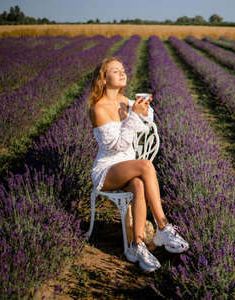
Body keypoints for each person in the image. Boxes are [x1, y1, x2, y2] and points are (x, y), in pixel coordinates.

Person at [87, 57, 189, 272]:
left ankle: (138, 245)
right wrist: (133, 116)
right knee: (145, 166)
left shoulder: (126, 101)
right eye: (115, 71)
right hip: (107, 169)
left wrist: (143, 113)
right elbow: (116, 146)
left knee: (139, 185)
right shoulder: (99, 109)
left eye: (123, 69)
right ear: (104, 80)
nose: (122, 73)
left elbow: (142, 130)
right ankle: (163, 226)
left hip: (128, 166)